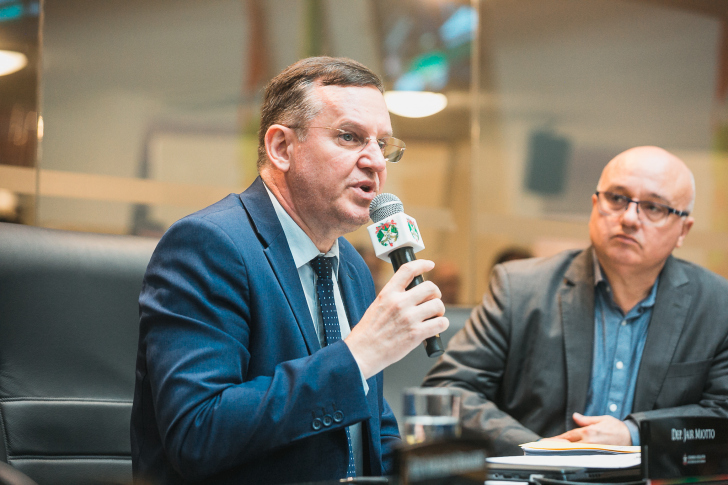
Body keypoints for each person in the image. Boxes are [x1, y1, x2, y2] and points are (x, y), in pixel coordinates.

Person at [131, 57, 448, 484]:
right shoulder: (209, 246)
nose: (375, 162)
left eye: (383, 144)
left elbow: (367, 433)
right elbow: (197, 432)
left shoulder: (351, 266)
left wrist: (449, 471)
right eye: (350, 137)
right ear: (282, 147)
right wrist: (358, 356)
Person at [422, 146, 728, 456]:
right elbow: (447, 393)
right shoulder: (519, 289)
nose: (630, 218)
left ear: (683, 230)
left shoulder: (718, 305)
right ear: (596, 205)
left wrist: (635, 433)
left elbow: (723, 413)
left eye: (654, 207)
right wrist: (539, 450)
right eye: (617, 199)